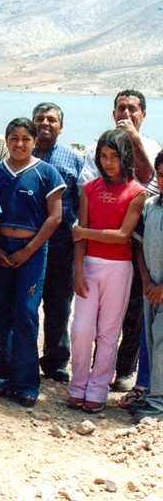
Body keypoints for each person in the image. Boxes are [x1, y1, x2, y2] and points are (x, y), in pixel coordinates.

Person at [78, 90, 161, 392]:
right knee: (99, 315)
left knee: (135, 312)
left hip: (142, 240)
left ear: (144, 114)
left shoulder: (152, 148)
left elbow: (153, 189)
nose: (126, 114)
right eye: (120, 108)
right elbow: (88, 187)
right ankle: (96, 368)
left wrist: (136, 144)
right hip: (103, 241)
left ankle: (125, 370)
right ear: (113, 113)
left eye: (133, 109)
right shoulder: (96, 149)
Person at [68, 129, 147, 414]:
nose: (108, 162)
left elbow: (123, 235)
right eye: (103, 156)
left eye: (114, 156)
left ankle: (97, 390)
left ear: (125, 156)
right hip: (89, 267)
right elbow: (80, 242)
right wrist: (77, 271)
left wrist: (83, 232)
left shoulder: (137, 193)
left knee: (108, 333)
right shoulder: (89, 188)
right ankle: (77, 386)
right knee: (81, 330)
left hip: (119, 269)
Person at [0, 118, 65, 407]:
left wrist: (29, 249)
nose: (19, 144)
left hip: (32, 251)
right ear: (6, 140)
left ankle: (26, 382)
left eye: (25, 139)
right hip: (0, 249)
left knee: (26, 312)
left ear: (34, 141)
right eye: (13, 138)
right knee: (1, 311)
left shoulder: (47, 172)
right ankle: (1, 376)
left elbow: (55, 217)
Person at [32, 103, 84, 383]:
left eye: (51, 119)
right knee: (25, 304)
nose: (45, 123)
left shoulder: (73, 159)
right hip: (26, 241)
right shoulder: (22, 153)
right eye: (40, 118)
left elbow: (80, 202)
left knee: (59, 306)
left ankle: (56, 361)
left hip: (61, 243)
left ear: (61, 127)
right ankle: (23, 360)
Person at [130, 150, 163, 420]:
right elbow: (138, 246)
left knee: (162, 342)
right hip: (150, 290)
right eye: (161, 175)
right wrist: (146, 280)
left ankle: (157, 403)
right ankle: (152, 394)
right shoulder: (150, 206)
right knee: (152, 342)